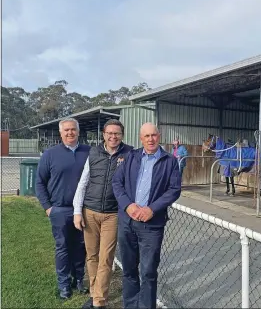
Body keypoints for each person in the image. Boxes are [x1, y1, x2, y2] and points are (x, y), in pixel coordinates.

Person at [112, 122, 182, 309]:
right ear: (140, 138)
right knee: (129, 270)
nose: (151, 139)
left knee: (149, 271)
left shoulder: (169, 161)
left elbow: (174, 190)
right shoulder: (130, 157)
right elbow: (117, 183)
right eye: (146, 136)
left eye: (154, 135)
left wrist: (152, 209)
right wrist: (127, 206)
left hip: (151, 225)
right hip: (127, 222)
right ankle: (130, 305)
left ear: (159, 136)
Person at [73, 119, 133, 309]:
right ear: (104, 135)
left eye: (117, 133)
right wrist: (77, 212)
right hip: (90, 211)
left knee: (105, 257)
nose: (113, 136)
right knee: (91, 256)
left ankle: (99, 301)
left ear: (122, 135)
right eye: (110, 133)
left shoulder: (130, 154)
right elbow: (83, 183)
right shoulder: (94, 152)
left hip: (113, 215)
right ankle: (94, 293)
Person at [35, 118, 90, 299]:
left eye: (73, 130)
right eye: (66, 130)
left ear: (78, 131)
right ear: (61, 133)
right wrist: (48, 208)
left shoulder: (89, 152)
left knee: (81, 247)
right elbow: (40, 183)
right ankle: (64, 285)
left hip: (83, 210)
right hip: (59, 210)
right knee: (63, 247)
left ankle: (79, 280)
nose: (70, 133)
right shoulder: (50, 155)